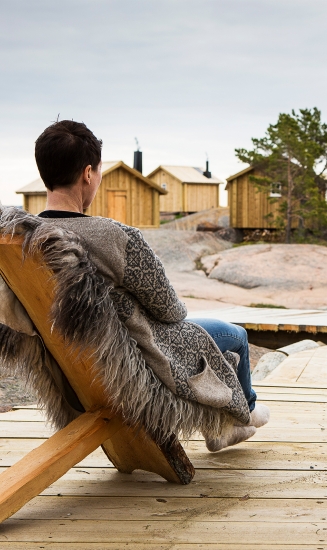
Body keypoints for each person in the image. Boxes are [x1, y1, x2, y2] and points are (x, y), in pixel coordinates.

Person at [33, 119, 268, 451]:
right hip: (135, 359)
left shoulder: (24, 238)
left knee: (209, 336)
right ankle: (245, 412)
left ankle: (222, 427)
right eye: (98, 173)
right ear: (88, 173)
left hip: (71, 364)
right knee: (235, 336)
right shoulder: (112, 236)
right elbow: (170, 311)